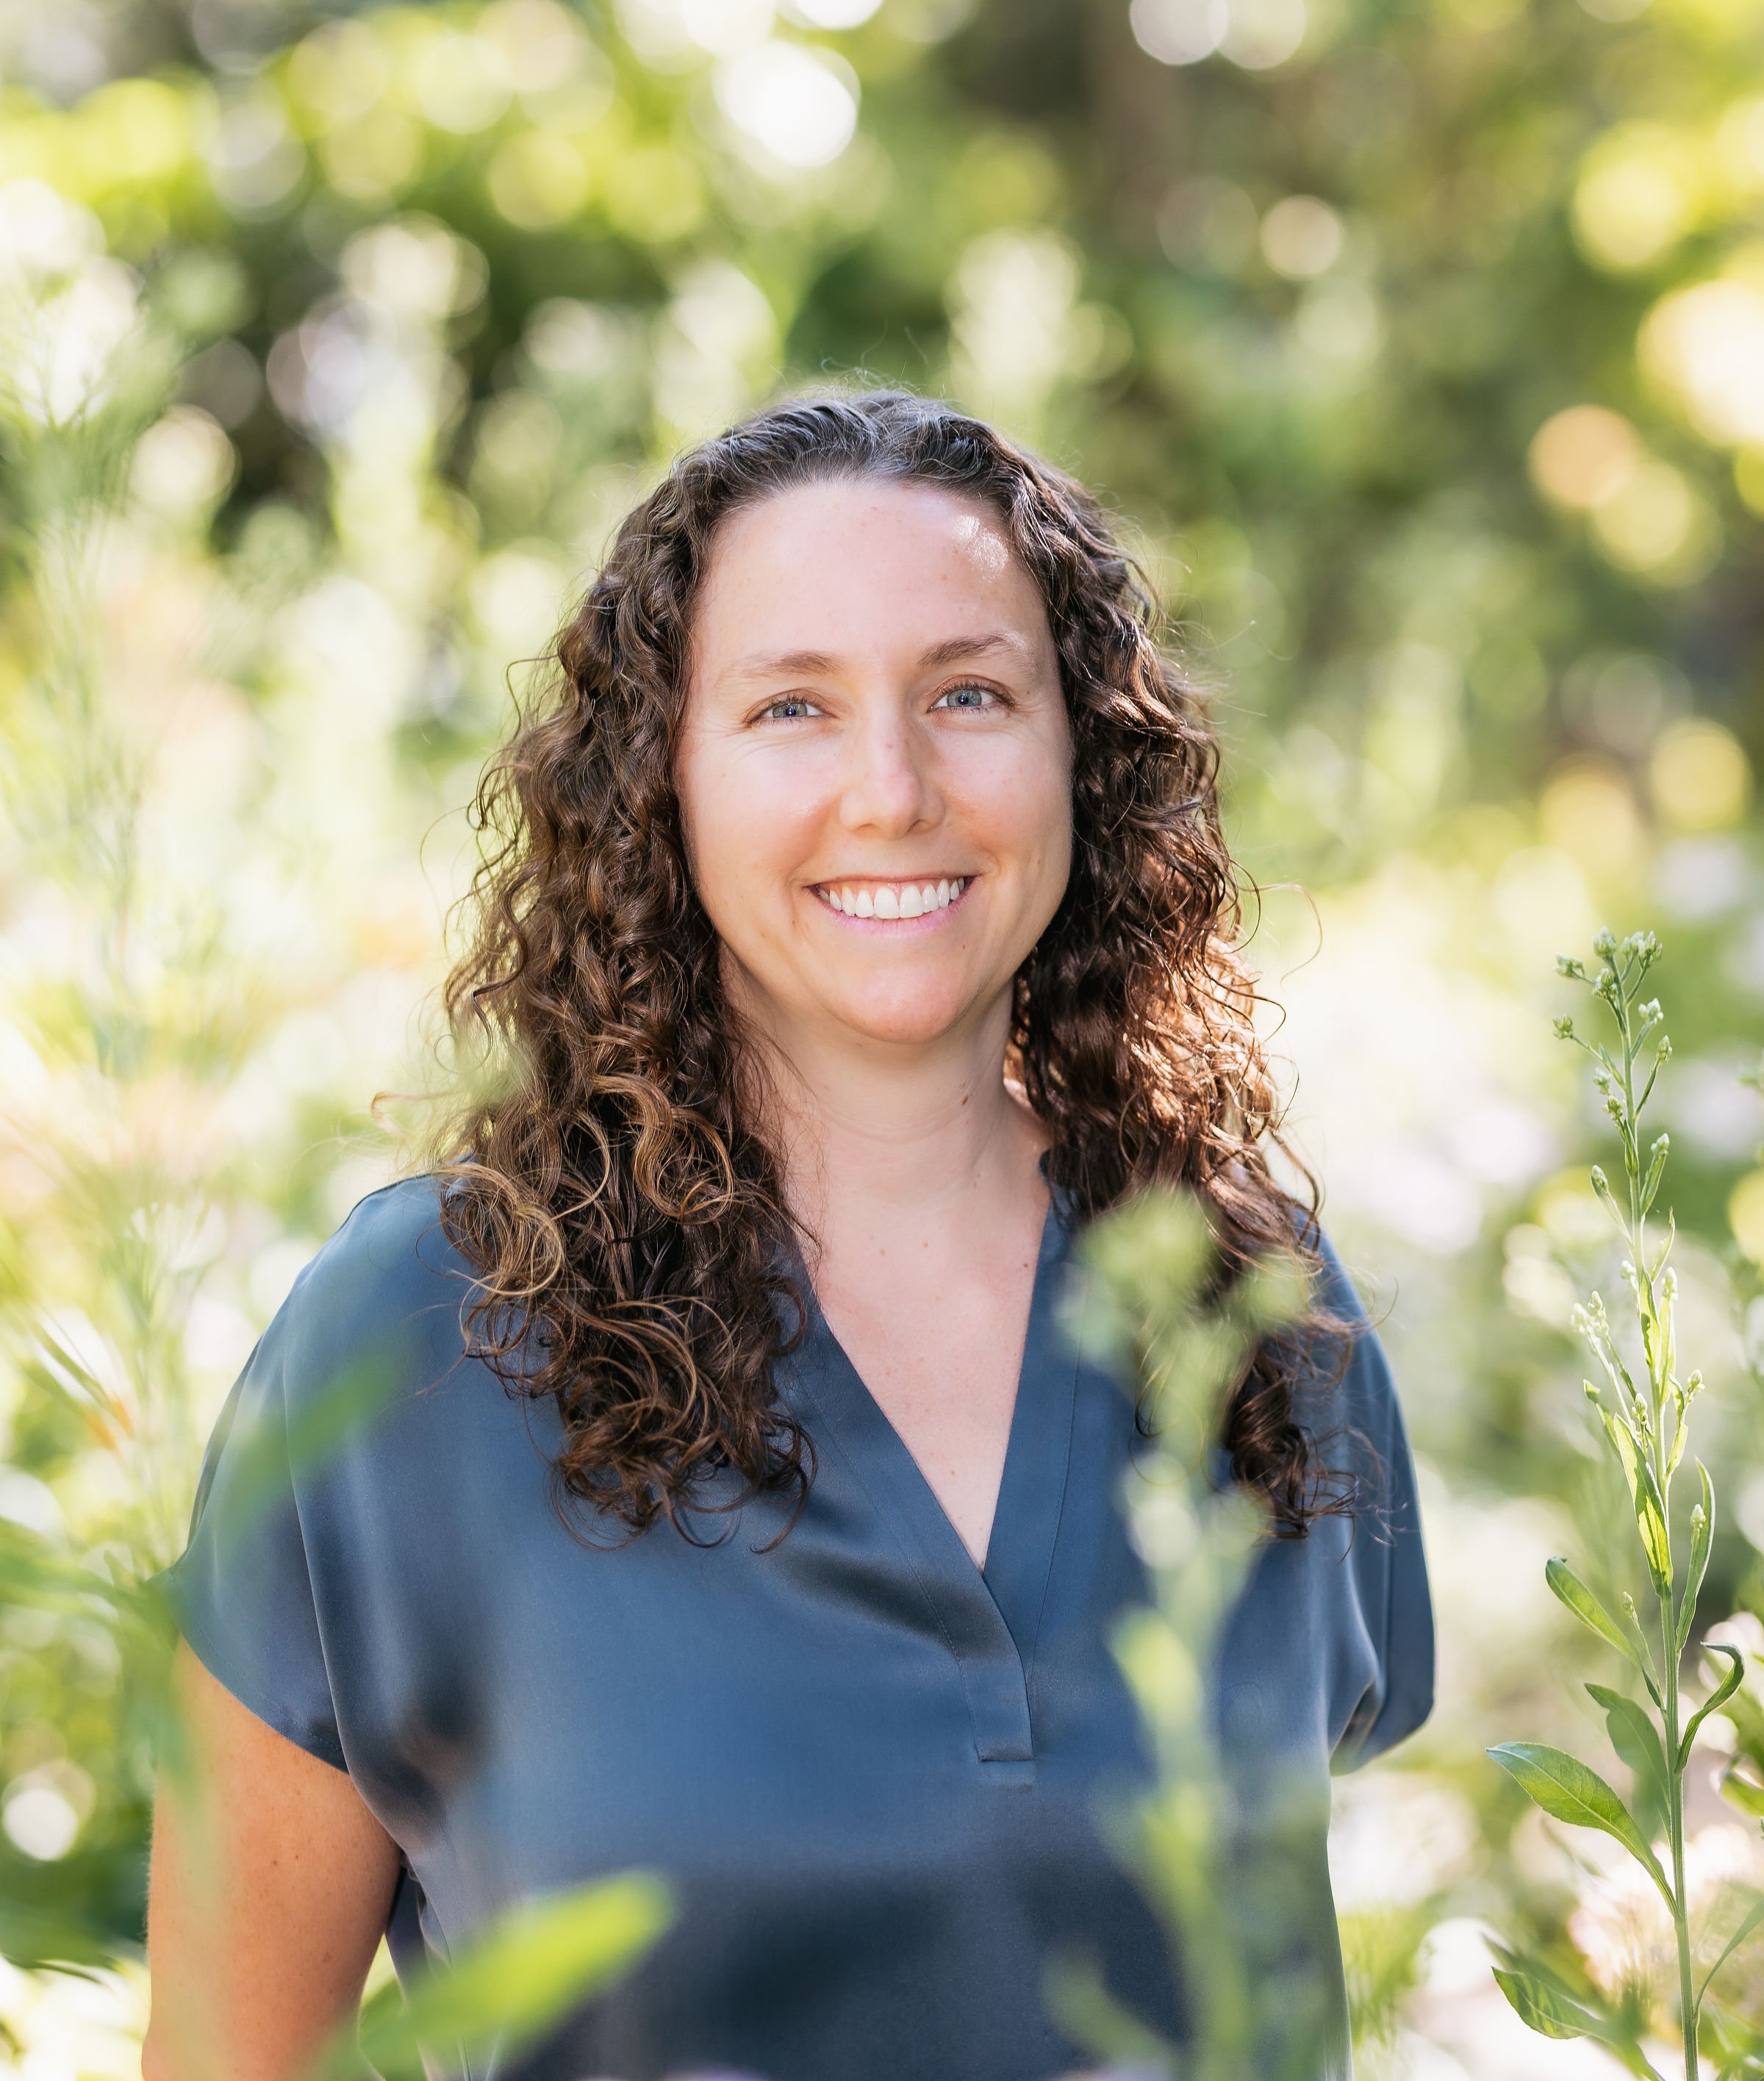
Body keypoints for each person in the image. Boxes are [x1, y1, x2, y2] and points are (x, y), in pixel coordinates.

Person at [145, 390, 1433, 2081]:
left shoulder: (1255, 1323)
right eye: (790, 708)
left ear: (1081, 753)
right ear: (661, 782)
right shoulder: (418, 1345)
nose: (890, 792)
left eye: (969, 694)